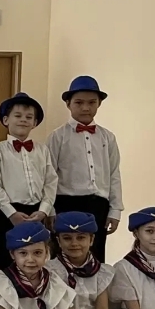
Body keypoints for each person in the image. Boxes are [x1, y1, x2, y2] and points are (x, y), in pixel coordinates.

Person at [47, 76, 122, 262]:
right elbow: (48, 176)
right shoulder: (57, 137)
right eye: (79, 103)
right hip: (65, 204)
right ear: (68, 104)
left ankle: (95, 283)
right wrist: (50, 210)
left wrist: (115, 210)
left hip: (98, 206)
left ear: (99, 104)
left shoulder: (108, 137)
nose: (86, 108)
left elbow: (114, 174)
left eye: (91, 102)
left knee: (95, 255)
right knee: (64, 255)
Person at [0, 92, 58, 270]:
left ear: (35, 122)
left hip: (37, 213)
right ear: (6, 120)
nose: (23, 120)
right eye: (18, 116)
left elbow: (50, 182)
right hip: (9, 214)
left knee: (35, 258)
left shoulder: (43, 150)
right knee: (6, 259)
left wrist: (44, 210)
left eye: (29, 117)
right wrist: (11, 213)